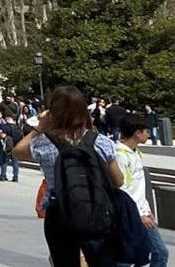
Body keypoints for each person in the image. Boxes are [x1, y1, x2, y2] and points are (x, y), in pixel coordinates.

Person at [13, 87, 125, 267]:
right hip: (97, 210)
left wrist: (39, 129)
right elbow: (119, 181)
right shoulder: (101, 142)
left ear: (53, 113)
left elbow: (17, 152)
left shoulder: (44, 143)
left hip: (60, 213)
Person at [116, 116, 168, 267]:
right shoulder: (121, 155)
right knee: (157, 252)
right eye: (146, 131)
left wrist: (147, 208)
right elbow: (122, 189)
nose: (149, 135)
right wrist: (139, 214)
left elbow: (138, 187)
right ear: (137, 133)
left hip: (142, 212)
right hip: (131, 215)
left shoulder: (135, 152)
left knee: (143, 254)